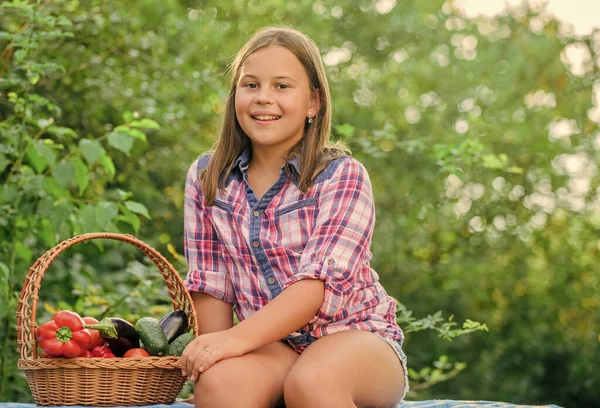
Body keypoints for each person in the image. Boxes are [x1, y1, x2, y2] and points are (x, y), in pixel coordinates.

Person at [181, 25, 408, 408]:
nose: (263, 99)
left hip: (356, 337)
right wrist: (211, 358)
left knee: (313, 383)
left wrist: (236, 340)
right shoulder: (208, 178)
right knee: (221, 384)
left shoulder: (341, 175)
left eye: (282, 87)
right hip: (273, 348)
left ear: (313, 103)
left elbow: (316, 286)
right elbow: (211, 284)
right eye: (250, 85)